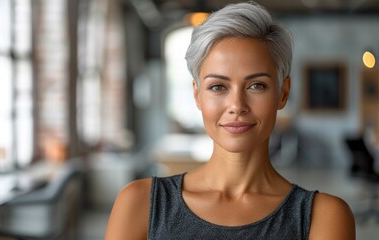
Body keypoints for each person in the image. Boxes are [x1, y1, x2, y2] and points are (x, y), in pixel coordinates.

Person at [105, 2, 355, 239]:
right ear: (197, 95)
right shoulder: (139, 204)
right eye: (218, 87)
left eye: (257, 85)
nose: (237, 106)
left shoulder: (323, 217)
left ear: (283, 93)